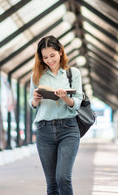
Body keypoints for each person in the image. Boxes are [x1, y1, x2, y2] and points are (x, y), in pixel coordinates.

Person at [29, 35, 83, 195]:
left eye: (52, 55)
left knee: (63, 177)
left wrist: (64, 97)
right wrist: (35, 100)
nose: (49, 60)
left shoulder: (73, 74)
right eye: (45, 57)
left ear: (60, 52)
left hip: (68, 129)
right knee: (52, 184)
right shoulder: (37, 76)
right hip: (44, 130)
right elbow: (31, 104)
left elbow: (78, 102)